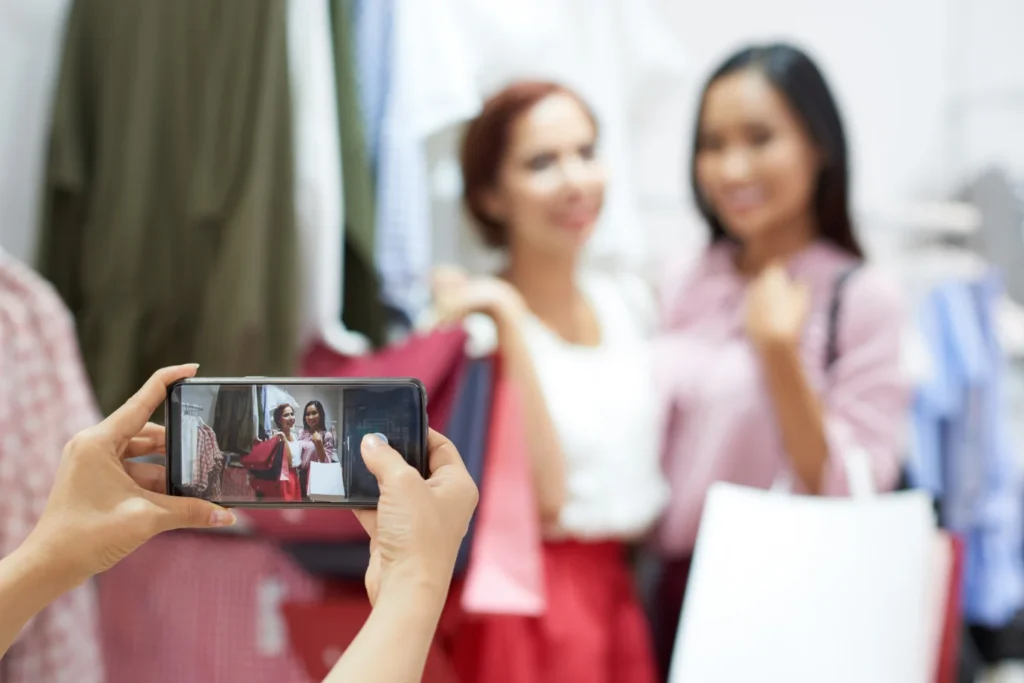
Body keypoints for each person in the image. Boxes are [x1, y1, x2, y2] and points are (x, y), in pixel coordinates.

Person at [650, 43, 911, 677]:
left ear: (818, 146)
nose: (732, 167)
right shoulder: (684, 276)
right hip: (671, 588)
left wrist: (778, 354)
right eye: (712, 144)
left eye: (760, 138)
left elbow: (856, 483)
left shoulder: (860, 294)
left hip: (793, 592)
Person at [0, 364, 479, 683]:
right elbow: (261, 466)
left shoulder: (317, 442)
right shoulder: (274, 442)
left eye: (304, 412)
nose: (300, 417)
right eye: (295, 412)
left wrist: (47, 560)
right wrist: (415, 579)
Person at [433, 81, 669, 683]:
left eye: (586, 152)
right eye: (542, 162)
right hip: (527, 604)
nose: (575, 180)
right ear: (490, 196)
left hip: (619, 589)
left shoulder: (628, 305)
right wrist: (508, 320)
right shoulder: (475, 329)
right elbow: (548, 496)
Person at [269, 402, 304, 501]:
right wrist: (283, 439)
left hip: (295, 476)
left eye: (292, 414)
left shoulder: (295, 435)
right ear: (279, 420)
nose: (291, 417)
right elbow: (288, 463)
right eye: (286, 415)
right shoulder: (277, 438)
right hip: (284, 477)